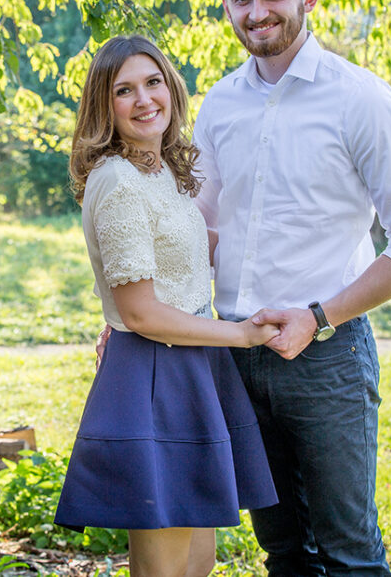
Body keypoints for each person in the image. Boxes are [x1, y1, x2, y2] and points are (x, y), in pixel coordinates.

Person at [193, 0, 391, 575]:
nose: (257, 13)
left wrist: (319, 315)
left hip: (328, 358)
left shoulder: (361, 100)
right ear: (224, 5)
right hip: (238, 356)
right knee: (282, 550)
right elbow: (203, 230)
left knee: (350, 554)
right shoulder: (218, 105)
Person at [54, 35, 280, 577]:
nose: (144, 99)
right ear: (103, 107)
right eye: (123, 90)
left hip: (193, 362)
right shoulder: (119, 180)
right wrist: (243, 334)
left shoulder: (164, 172)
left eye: (152, 83)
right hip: (157, 372)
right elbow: (141, 314)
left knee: (197, 558)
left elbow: (181, 265)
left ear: (171, 89)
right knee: (165, 563)